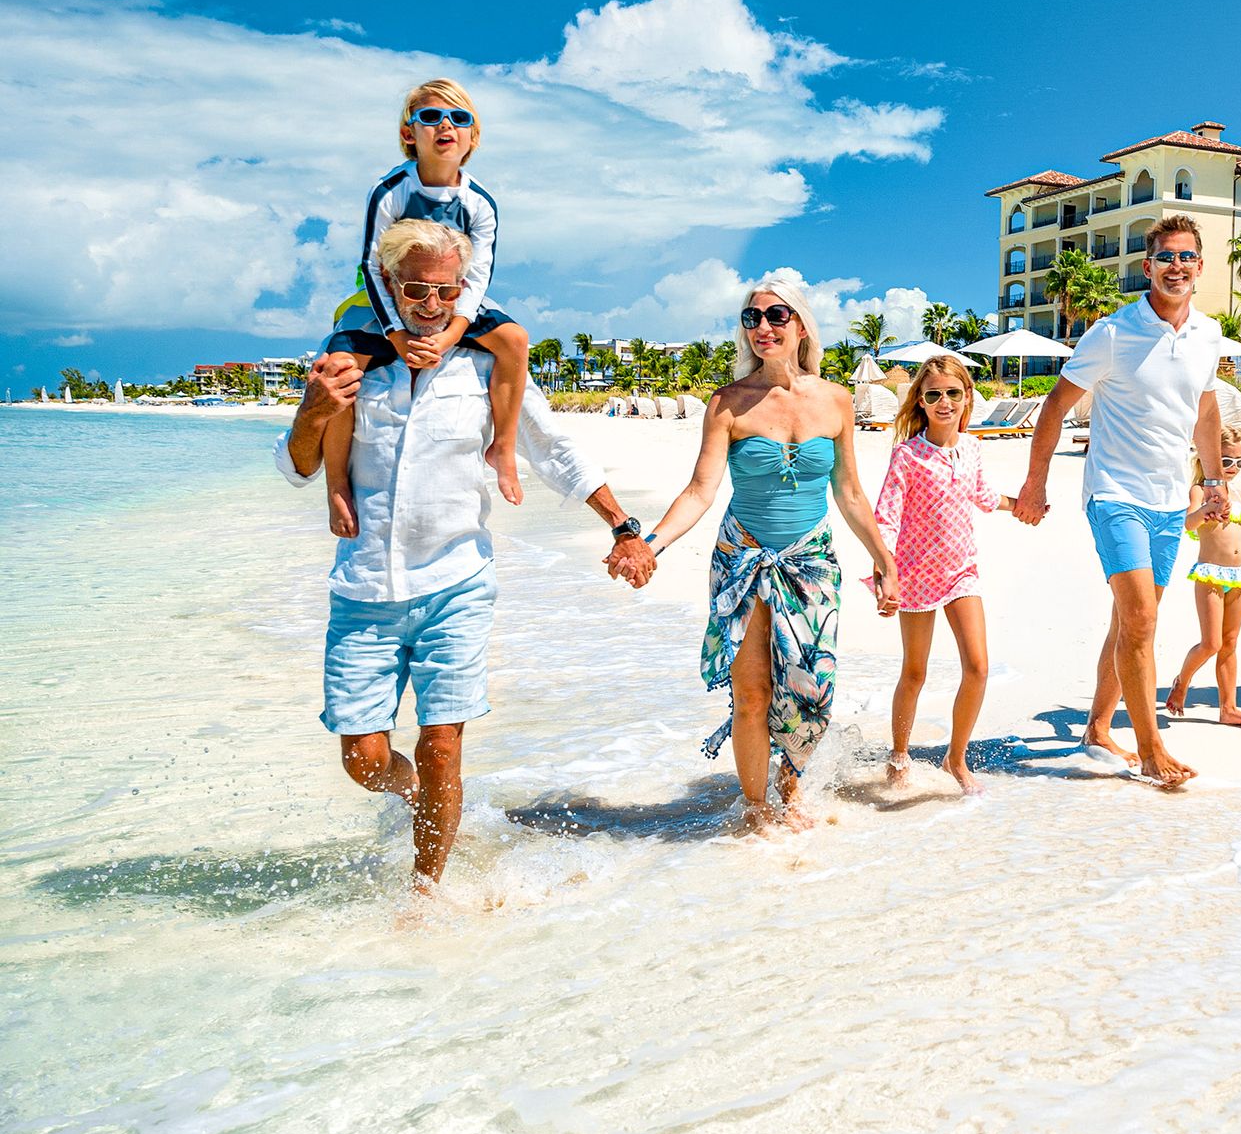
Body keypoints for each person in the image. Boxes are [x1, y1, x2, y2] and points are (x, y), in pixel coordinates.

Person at [278, 219, 656, 888]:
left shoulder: (486, 362)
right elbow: (296, 469)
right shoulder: (350, 359)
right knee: (364, 761)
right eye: (416, 289)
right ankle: (412, 793)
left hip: (457, 584)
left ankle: (427, 889)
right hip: (363, 589)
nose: (431, 304)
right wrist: (310, 412)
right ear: (388, 284)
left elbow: (552, 448)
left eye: (446, 290)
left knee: (444, 744)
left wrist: (623, 527)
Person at [641, 282, 898, 830]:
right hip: (744, 558)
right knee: (752, 690)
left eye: (776, 315)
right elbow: (700, 490)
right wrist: (651, 544)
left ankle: (792, 782)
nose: (763, 326)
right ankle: (758, 808)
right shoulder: (727, 403)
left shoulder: (836, 401)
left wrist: (884, 558)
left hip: (811, 562)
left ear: (801, 325)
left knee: (810, 688)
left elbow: (849, 492)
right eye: (751, 317)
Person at [1013, 213, 1227, 789]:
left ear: (1200, 266)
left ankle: (1098, 726)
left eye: (1186, 257)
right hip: (1114, 493)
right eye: (1166, 257)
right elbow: (1055, 407)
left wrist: (1214, 481)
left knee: (1130, 621)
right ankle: (1152, 746)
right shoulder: (1111, 333)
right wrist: (1036, 483)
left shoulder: (1208, 336)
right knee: (1141, 619)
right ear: (1147, 266)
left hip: (1168, 498)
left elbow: (1205, 412)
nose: (1176, 267)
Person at [320, 79, 533, 537]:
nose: (445, 127)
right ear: (408, 133)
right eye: (431, 117)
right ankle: (337, 482)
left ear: (473, 137)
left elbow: (477, 278)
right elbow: (372, 266)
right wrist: (396, 334)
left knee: (514, 340)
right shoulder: (391, 191)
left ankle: (504, 449)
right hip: (384, 297)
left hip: (455, 297)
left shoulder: (480, 202)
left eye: (459, 119)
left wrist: (453, 332)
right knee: (340, 363)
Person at [873, 356, 1015, 795]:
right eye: (933, 394)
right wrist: (884, 573)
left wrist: (1022, 504)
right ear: (920, 400)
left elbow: (983, 496)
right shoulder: (908, 455)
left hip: (961, 572)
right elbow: (887, 518)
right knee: (915, 672)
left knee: (977, 666)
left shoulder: (972, 447)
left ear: (967, 397)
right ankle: (900, 754)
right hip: (914, 575)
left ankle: (956, 757)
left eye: (953, 393)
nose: (944, 401)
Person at [1164, 425, 1241, 726]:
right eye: (1226, 461)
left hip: (1240, 577)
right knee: (1211, 643)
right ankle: (1182, 681)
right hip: (1210, 576)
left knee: (1230, 642)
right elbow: (1188, 524)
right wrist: (1207, 508)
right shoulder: (1200, 490)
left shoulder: (1239, 494)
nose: (1233, 468)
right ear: (1210, 458)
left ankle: (1228, 708)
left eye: (1239, 461)